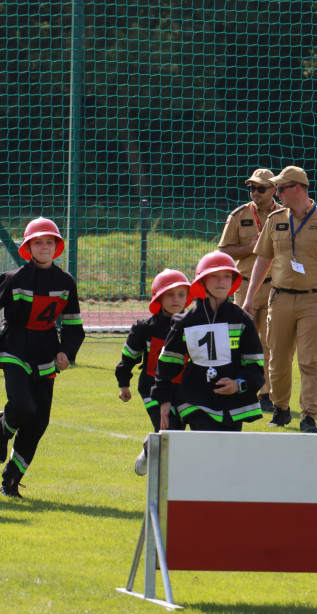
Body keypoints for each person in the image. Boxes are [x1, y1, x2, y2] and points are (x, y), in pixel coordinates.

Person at [242, 166, 317, 434]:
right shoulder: (275, 220)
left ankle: (308, 415)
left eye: (281, 188)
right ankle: (281, 408)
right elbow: (263, 259)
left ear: (297, 188)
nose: (277, 193)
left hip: (314, 300)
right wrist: (250, 296)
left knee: (310, 360)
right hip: (280, 298)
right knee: (277, 360)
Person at [0, 217, 84, 498]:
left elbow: (73, 325)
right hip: (14, 346)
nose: (45, 247)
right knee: (23, 405)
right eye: (38, 242)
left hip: (46, 351)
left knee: (39, 422)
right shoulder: (14, 278)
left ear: (58, 247)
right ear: (28, 247)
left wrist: (66, 351)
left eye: (50, 242)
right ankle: (4, 426)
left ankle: (11, 480)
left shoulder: (66, 282)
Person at [153, 251, 264, 432]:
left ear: (233, 281)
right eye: (214, 276)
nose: (221, 280)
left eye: (227, 276)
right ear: (202, 281)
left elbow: (256, 367)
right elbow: (166, 365)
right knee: (206, 447)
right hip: (195, 401)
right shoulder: (185, 322)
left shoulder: (243, 320)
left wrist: (238, 384)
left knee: (226, 455)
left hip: (233, 405)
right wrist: (164, 400)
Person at [114, 269, 192, 475]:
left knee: (178, 434)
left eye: (181, 294)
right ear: (158, 297)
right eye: (170, 294)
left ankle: (150, 445)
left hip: (183, 389)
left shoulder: (194, 325)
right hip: (152, 388)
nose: (176, 299)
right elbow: (128, 358)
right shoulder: (145, 328)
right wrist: (124, 384)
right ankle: (156, 458)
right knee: (170, 431)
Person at [218, 168, 281, 413]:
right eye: (252, 188)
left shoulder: (285, 214)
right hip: (244, 286)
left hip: (276, 286)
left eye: (261, 188)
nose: (255, 192)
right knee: (241, 341)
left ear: (274, 190)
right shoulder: (239, 215)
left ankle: (266, 394)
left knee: (270, 343)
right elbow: (222, 251)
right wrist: (249, 247)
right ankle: (240, 389)